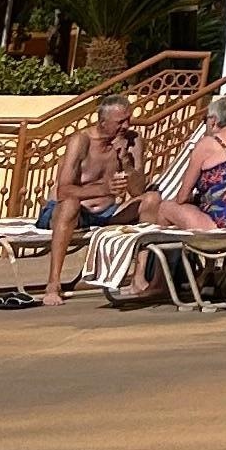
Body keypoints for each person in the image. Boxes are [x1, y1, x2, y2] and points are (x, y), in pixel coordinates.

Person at [111, 104, 226, 298]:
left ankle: (159, 283)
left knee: (165, 208)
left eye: (206, 120)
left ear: (213, 121)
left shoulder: (209, 144)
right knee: (209, 209)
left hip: (223, 227)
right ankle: (209, 275)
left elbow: (182, 195)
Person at [35, 96, 146, 305]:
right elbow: (63, 191)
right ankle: (53, 284)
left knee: (151, 201)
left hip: (108, 212)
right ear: (102, 122)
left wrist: (125, 162)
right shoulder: (81, 141)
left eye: (128, 119)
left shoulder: (133, 141)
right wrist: (104, 189)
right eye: (120, 122)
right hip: (73, 212)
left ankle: (138, 279)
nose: (126, 126)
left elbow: (138, 191)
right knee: (70, 204)